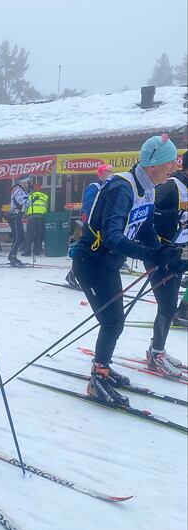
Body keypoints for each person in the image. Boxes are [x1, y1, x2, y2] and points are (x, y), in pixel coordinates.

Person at [73, 134, 186, 406]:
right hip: (91, 262)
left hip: (108, 264)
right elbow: (112, 236)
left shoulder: (148, 188)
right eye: (169, 163)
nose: (173, 168)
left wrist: (164, 253)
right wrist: (152, 254)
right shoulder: (123, 188)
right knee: (113, 321)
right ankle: (97, 379)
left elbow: (146, 229)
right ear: (153, 165)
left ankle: (104, 369)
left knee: (115, 321)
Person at [144, 150, 188, 374]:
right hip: (159, 254)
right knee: (168, 304)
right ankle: (156, 354)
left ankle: (157, 348)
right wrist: (172, 216)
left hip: (177, 255)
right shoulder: (172, 186)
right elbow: (147, 211)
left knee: (169, 304)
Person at [7, 178, 28, 267]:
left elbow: (24, 203)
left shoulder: (21, 190)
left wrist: (32, 201)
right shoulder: (17, 188)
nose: (28, 184)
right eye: (27, 182)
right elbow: (20, 201)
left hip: (17, 215)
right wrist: (27, 195)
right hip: (14, 215)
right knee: (19, 237)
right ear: (22, 182)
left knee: (18, 237)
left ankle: (12, 256)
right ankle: (12, 256)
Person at [22, 184, 48, 257]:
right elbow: (46, 206)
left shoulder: (30, 195)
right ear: (40, 188)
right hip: (41, 216)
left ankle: (27, 252)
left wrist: (25, 215)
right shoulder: (44, 196)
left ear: (33, 188)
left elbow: (26, 206)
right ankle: (37, 250)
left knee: (29, 234)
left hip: (31, 216)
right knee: (39, 234)